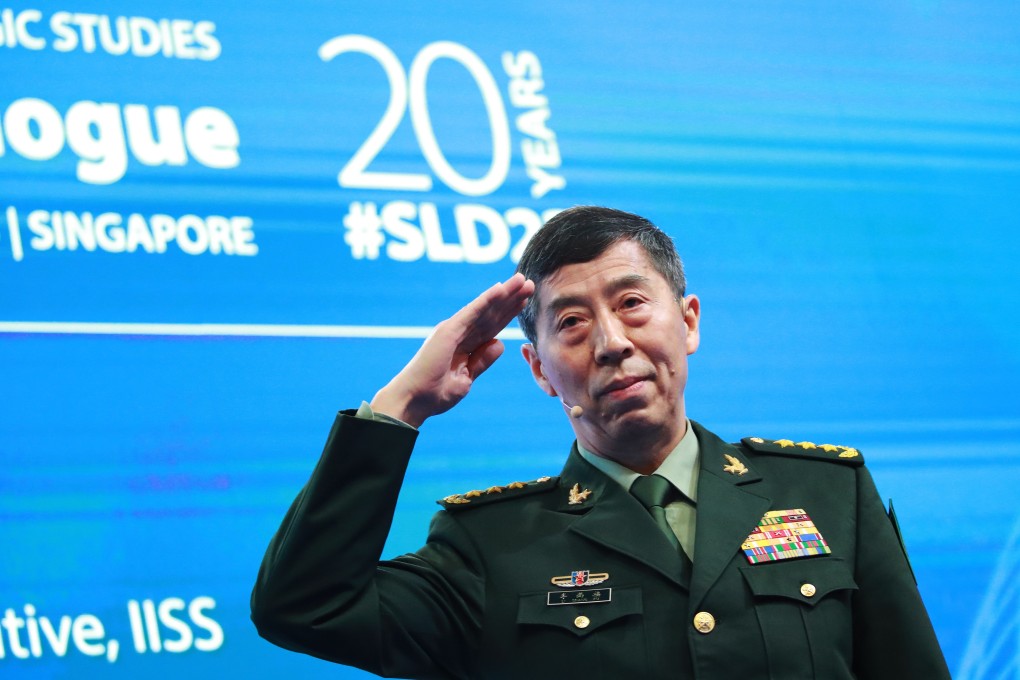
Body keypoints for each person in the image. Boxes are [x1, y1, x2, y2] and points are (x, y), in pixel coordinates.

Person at [251, 206, 950, 679]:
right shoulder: (487, 549)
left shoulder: (827, 495)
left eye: (632, 304)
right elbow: (304, 606)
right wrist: (399, 408)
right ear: (539, 370)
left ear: (689, 321)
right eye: (574, 323)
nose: (613, 344)